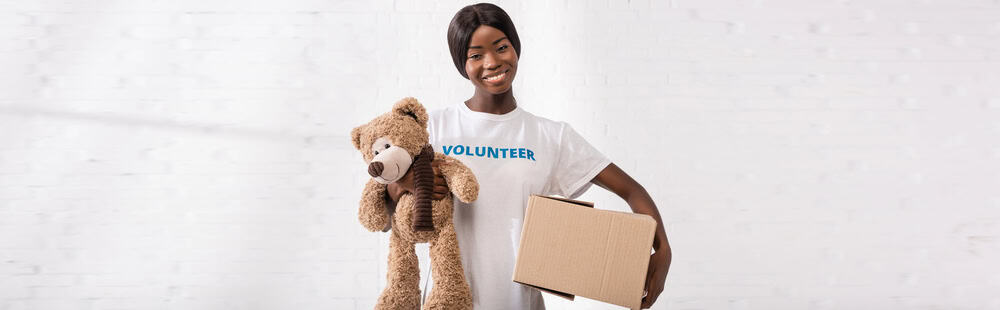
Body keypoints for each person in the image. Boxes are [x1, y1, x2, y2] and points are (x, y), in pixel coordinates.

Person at [386, 3, 671, 309]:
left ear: (515, 48)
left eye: (501, 47)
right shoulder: (434, 127)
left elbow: (632, 190)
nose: (492, 62)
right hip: (447, 301)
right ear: (462, 64)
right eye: (476, 55)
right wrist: (403, 184)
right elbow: (385, 215)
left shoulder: (551, 136)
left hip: (521, 302)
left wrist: (663, 250)